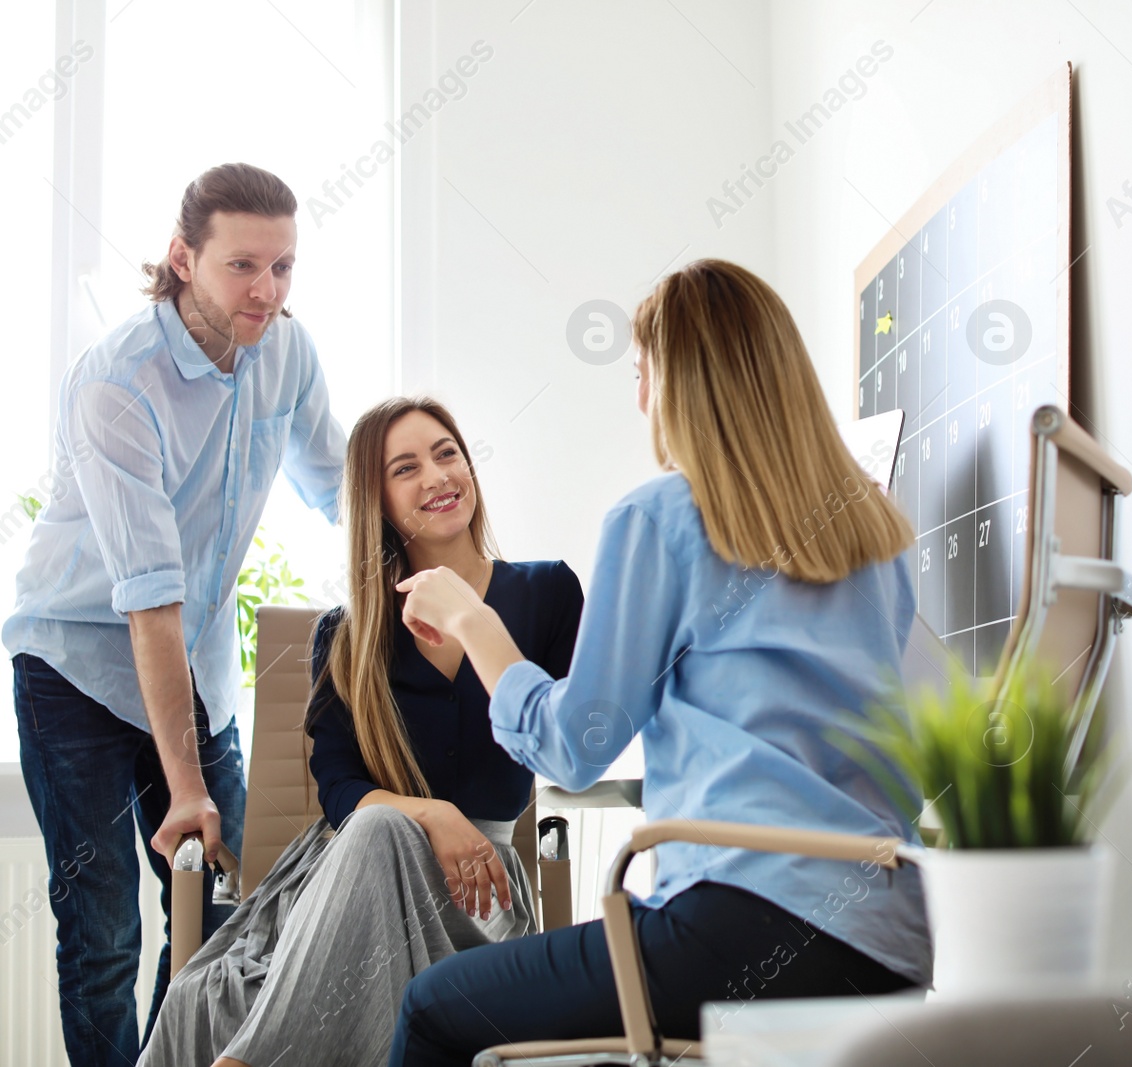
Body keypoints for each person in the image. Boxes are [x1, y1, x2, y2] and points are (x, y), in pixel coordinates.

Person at [387, 259, 932, 1066]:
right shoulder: (874, 533)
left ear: (681, 383)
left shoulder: (662, 516)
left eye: (644, 375)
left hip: (742, 927)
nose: (641, 400)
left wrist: (474, 622)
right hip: (892, 946)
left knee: (433, 1006)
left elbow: (576, 746)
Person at [5, 163, 348, 1064]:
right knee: (106, 929)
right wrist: (185, 785)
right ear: (182, 258)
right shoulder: (119, 382)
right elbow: (148, 600)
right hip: (75, 661)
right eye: (243, 265)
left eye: (283, 267)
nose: (266, 291)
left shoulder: (287, 350)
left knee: (224, 912)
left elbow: (341, 489)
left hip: (193, 663)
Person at [139, 396, 584, 1067]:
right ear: (377, 500)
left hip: (475, 892)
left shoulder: (546, 594)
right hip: (340, 881)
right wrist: (429, 813)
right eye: (406, 468)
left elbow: (568, 738)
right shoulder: (346, 636)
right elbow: (343, 789)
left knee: (379, 830)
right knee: (204, 994)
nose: (436, 476)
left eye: (446, 453)